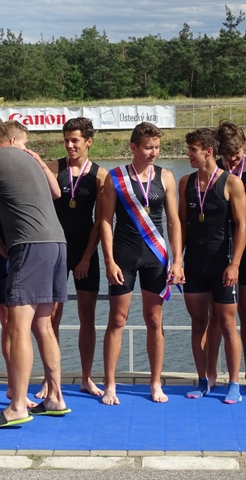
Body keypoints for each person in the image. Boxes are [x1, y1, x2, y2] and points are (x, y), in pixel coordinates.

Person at [0, 115, 69, 428]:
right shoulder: (30, 158)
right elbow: (56, 193)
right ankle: (56, 397)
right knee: (43, 325)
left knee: (18, 327)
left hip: (29, 246)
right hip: (57, 243)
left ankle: (17, 406)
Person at [100, 122, 184, 406]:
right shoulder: (115, 177)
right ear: (133, 147)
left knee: (154, 319)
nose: (153, 153)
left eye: (157, 147)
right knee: (117, 320)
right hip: (123, 256)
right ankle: (110, 384)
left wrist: (178, 260)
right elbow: (105, 221)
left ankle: (155, 382)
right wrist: (109, 260)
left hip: (155, 257)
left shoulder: (166, 176)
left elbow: (173, 221)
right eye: (148, 147)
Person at [42, 117, 107, 398]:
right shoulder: (53, 168)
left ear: (88, 142)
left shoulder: (101, 175)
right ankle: (50, 380)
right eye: (66, 140)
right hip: (56, 251)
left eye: (75, 140)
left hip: (85, 251)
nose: (69, 145)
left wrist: (87, 257)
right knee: (51, 317)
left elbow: (101, 221)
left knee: (87, 317)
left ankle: (86, 378)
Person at [180, 128, 245, 403]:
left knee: (228, 324)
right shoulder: (186, 182)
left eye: (192, 150)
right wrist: (177, 261)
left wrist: (235, 264)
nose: (188, 155)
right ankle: (203, 379)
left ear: (208, 151)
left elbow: (242, 226)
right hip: (194, 264)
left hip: (222, 264)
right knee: (198, 323)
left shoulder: (232, 183)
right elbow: (181, 225)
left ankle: (234, 383)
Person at [206, 122, 246, 387]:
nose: (233, 159)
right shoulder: (214, 174)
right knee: (217, 316)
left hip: (243, 251)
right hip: (220, 252)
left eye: (238, 153)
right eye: (228, 155)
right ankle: (209, 375)